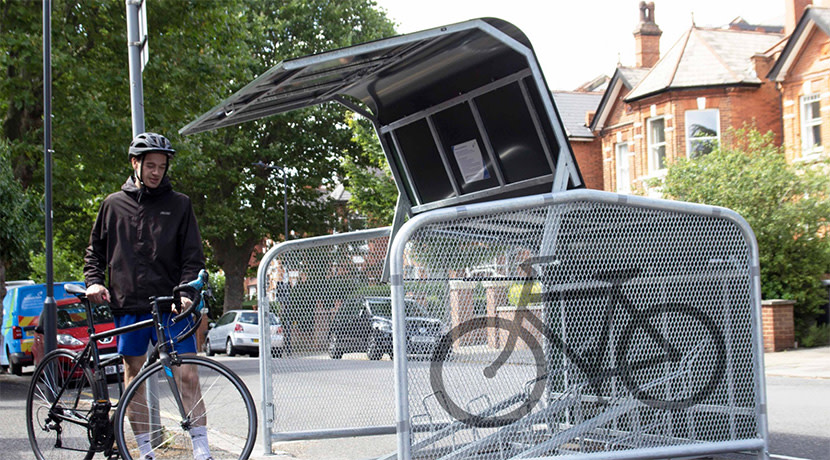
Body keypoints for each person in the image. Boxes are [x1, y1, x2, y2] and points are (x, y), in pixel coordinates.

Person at [84, 132, 211, 460]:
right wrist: (95, 282)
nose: (156, 172)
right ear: (135, 163)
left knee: (188, 374)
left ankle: (202, 451)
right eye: (150, 165)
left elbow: (193, 257)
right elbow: (94, 252)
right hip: (130, 303)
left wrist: (187, 293)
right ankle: (144, 451)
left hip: (171, 306)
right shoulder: (112, 204)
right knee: (134, 376)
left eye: (162, 166)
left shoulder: (180, 205)